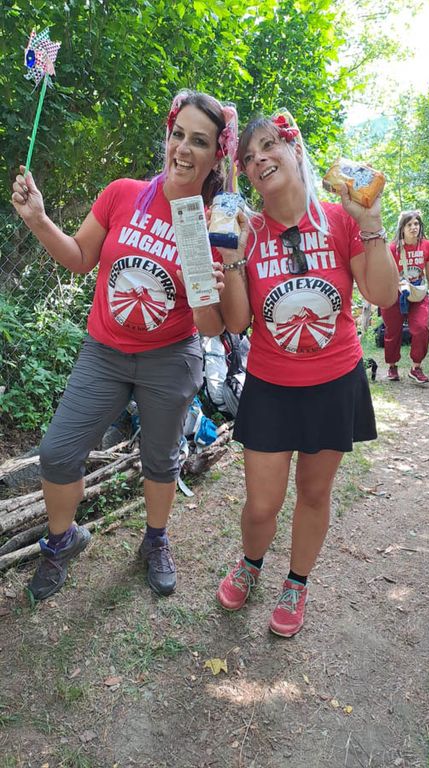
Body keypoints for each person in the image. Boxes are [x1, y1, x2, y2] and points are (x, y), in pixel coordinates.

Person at [11, 89, 238, 601]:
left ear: (216, 156)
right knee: (57, 454)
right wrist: (38, 219)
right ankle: (62, 540)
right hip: (105, 351)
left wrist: (206, 286)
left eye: (199, 141)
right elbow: (79, 257)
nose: (183, 148)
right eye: (177, 134)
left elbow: (208, 328)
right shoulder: (123, 194)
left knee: (161, 459)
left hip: (170, 357)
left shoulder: (214, 224)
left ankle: (155, 540)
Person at [215, 110, 399, 637]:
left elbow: (384, 294)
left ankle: (296, 583)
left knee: (314, 494)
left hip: (334, 382)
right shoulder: (245, 230)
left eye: (269, 145)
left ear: (295, 150)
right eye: (249, 157)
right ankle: (251, 563)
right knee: (262, 503)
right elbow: (237, 323)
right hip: (270, 386)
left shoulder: (340, 220)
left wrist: (371, 223)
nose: (259, 160)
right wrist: (231, 260)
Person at [380, 210, 429, 384]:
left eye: (416, 224)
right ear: (402, 228)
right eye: (409, 224)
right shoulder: (392, 248)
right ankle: (392, 366)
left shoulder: (427, 246)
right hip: (395, 294)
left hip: (418, 293)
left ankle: (416, 367)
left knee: (421, 328)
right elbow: (385, 274)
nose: (413, 227)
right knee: (392, 331)